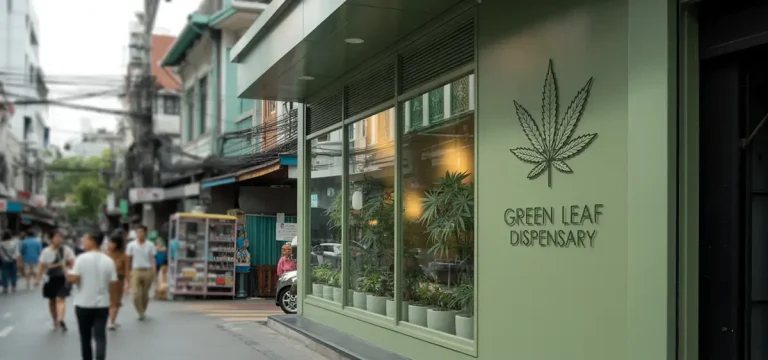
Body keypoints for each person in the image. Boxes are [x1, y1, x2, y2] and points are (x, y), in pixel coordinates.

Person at [67, 232, 118, 360]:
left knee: (85, 337)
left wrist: (67, 273)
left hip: (83, 303)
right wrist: (113, 300)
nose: (83, 242)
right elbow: (113, 283)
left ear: (93, 242)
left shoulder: (81, 259)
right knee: (100, 336)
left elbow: (74, 279)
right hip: (102, 304)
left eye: (85, 240)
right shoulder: (109, 261)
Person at [36, 229, 76, 331]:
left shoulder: (66, 250)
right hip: (50, 278)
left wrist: (73, 274)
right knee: (52, 300)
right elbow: (41, 266)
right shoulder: (45, 251)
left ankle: (60, 319)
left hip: (63, 278)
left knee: (61, 298)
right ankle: (55, 320)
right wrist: (38, 279)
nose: (59, 239)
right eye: (56, 237)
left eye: (60, 237)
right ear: (51, 239)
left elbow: (73, 263)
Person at [126, 225, 156, 321]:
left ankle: (143, 310)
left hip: (147, 270)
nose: (139, 234)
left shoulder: (150, 245)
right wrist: (128, 273)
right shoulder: (131, 245)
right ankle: (140, 312)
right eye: (138, 232)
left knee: (145, 294)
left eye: (141, 232)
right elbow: (129, 260)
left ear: (145, 233)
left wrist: (154, 272)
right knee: (136, 294)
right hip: (136, 271)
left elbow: (152, 259)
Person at [105, 231, 129, 330]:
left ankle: (112, 321)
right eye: (109, 242)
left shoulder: (124, 256)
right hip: (106, 280)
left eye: (112, 242)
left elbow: (127, 270)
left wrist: (128, 283)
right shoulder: (105, 254)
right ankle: (111, 320)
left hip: (118, 280)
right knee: (108, 301)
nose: (110, 244)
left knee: (116, 301)